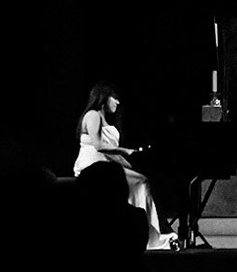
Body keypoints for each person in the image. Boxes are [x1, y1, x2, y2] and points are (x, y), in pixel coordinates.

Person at [73, 81, 175, 251]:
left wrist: (132, 165)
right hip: (93, 167)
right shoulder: (93, 116)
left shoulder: (104, 118)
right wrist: (126, 151)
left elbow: (114, 156)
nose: (117, 102)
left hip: (107, 165)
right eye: (114, 98)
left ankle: (142, 231)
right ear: (104, 98)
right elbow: (99, 146)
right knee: (141, 183)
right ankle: (148, 236)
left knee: (141, 179)